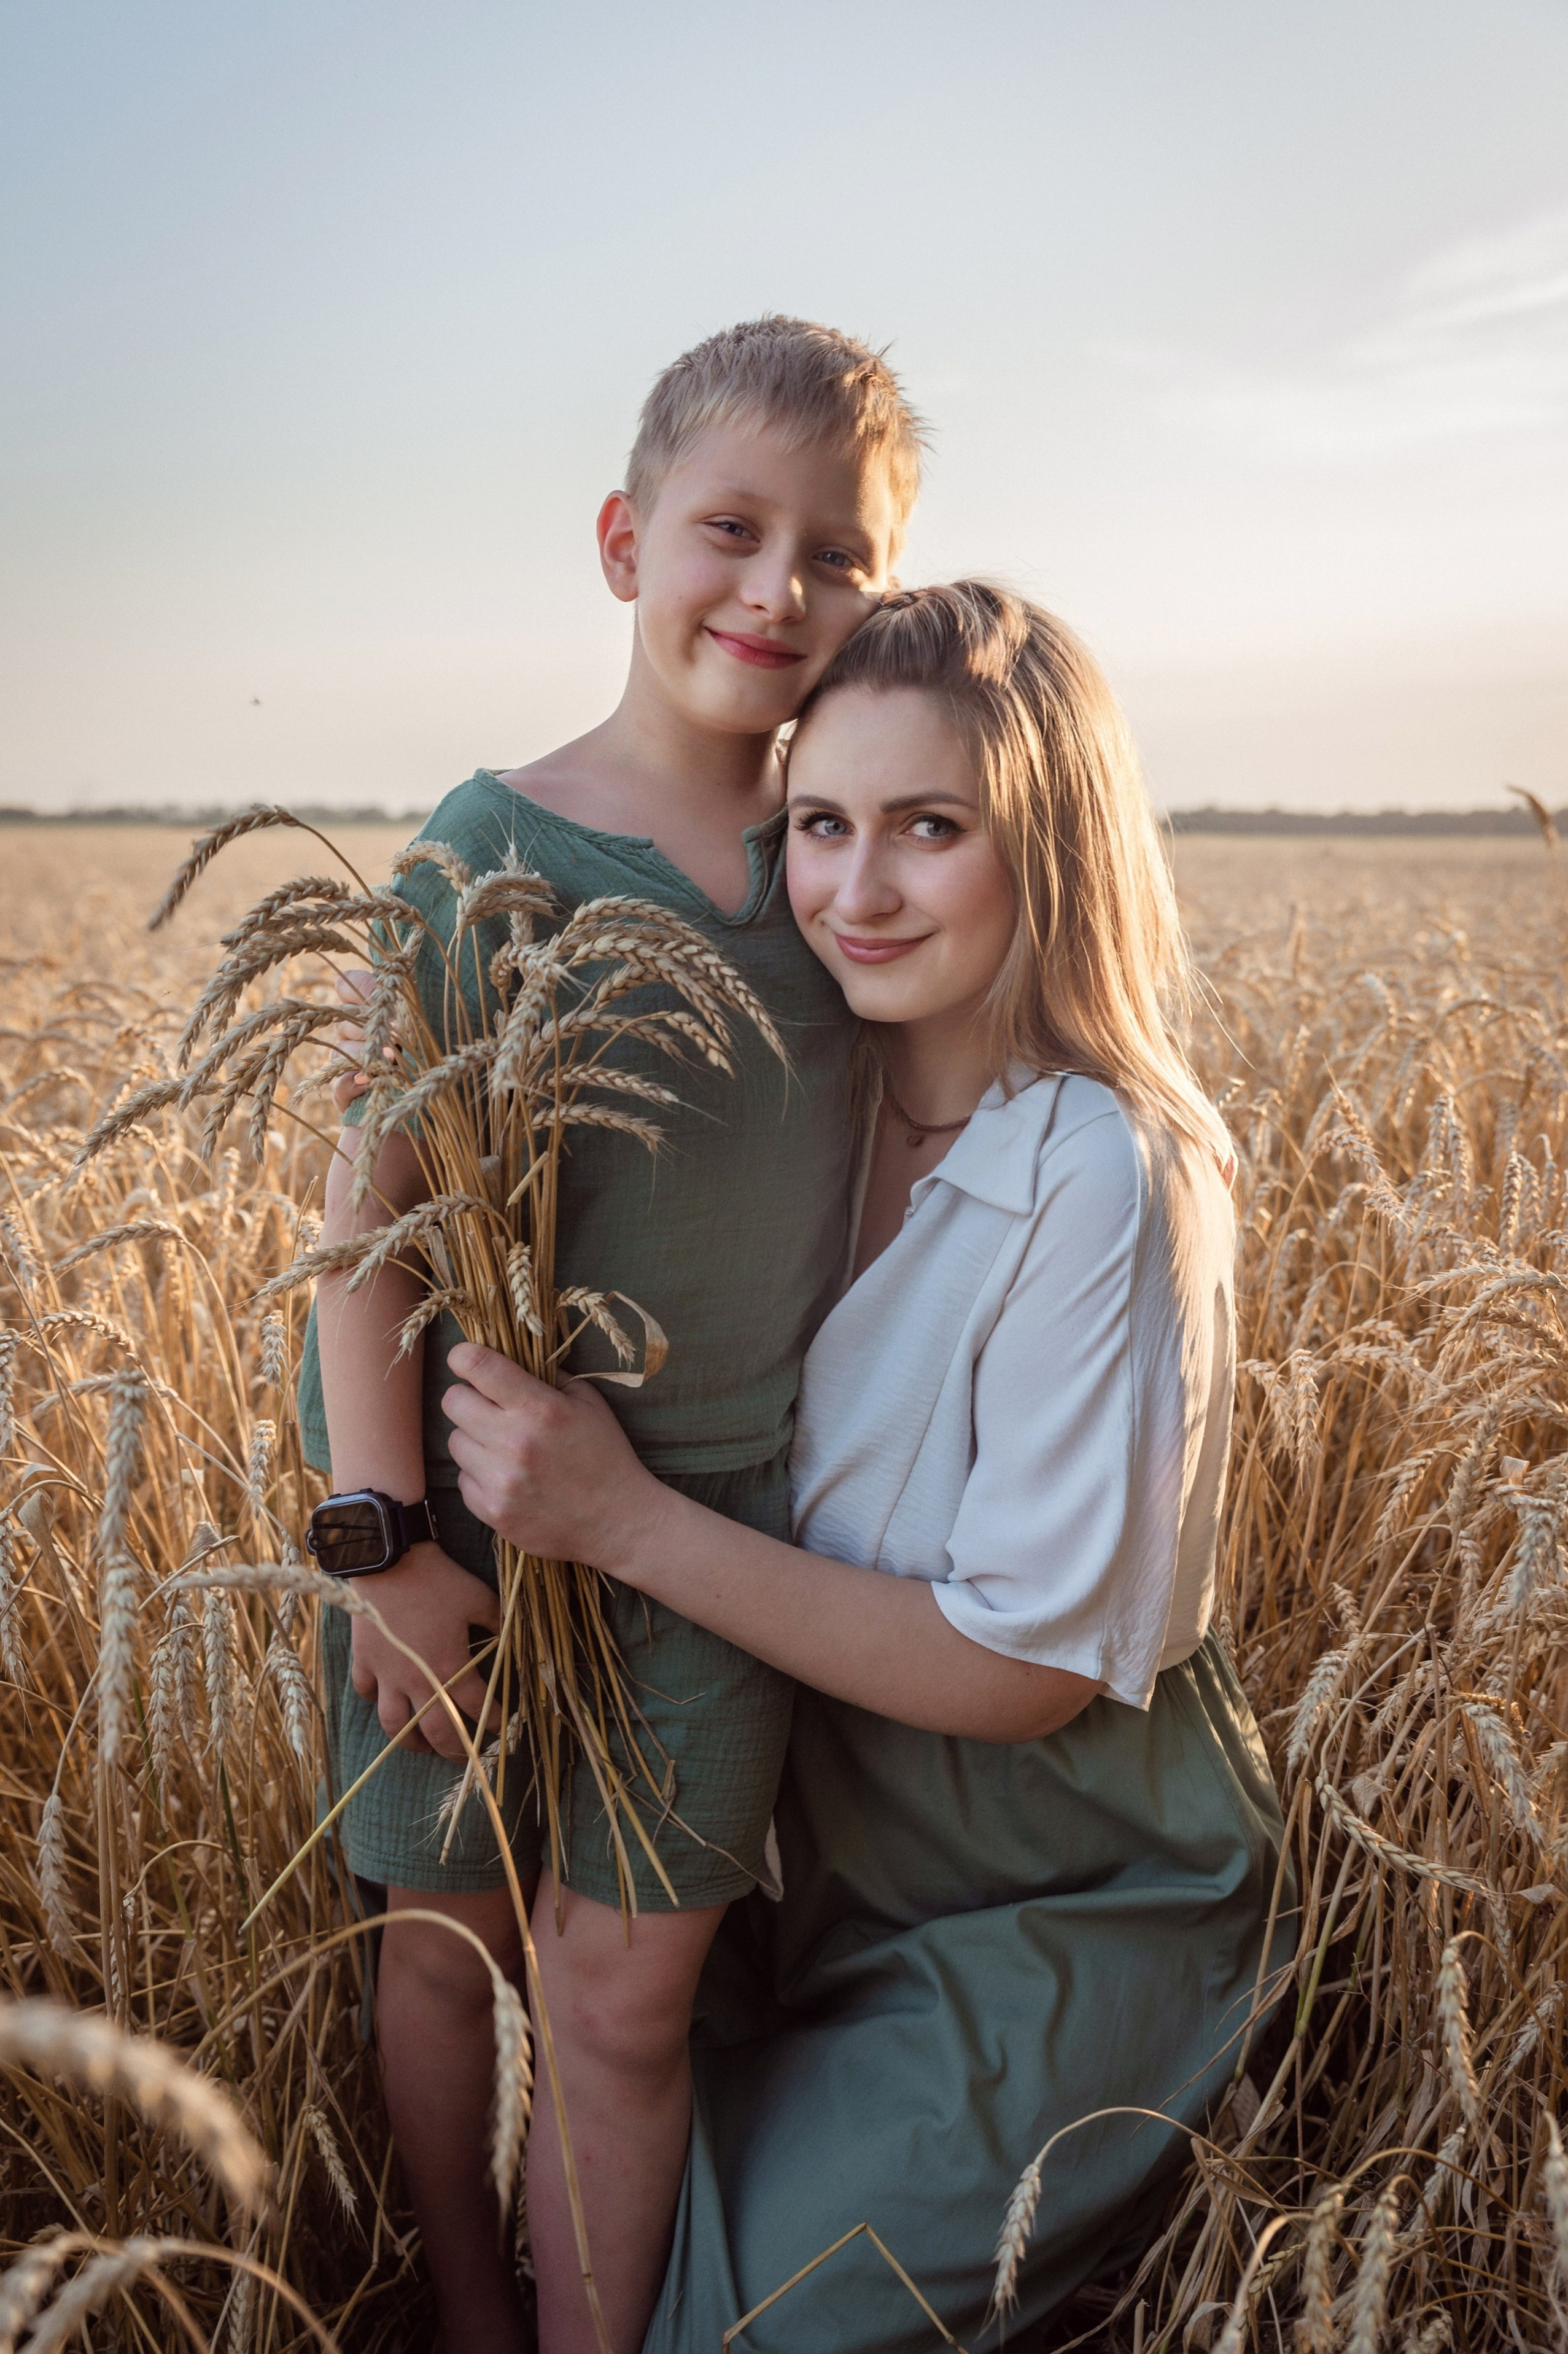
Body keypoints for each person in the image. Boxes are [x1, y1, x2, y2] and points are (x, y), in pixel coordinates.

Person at [440, 583, 1295, 2352]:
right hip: (807, 1860)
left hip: (1072, 1899)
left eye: (932, 828)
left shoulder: (1110, 1174)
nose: (858, 889)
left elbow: (1019, 1668)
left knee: (719, 2327)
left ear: (1051, 846)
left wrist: (624, 1520)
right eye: (821, 824)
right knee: (592, 2177)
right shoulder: (799, 1094)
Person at [299, 317, 926, 2354]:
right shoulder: (493, 852)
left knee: (632, 1987)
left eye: (837, 556)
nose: (778, 590)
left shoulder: (842, 884)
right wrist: (378, 1540)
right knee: (453, 1948)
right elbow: (363, 1233)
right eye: (730, 532)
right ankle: (474, 2319)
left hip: (715, 1537)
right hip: (459, 1512)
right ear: (620, 542)